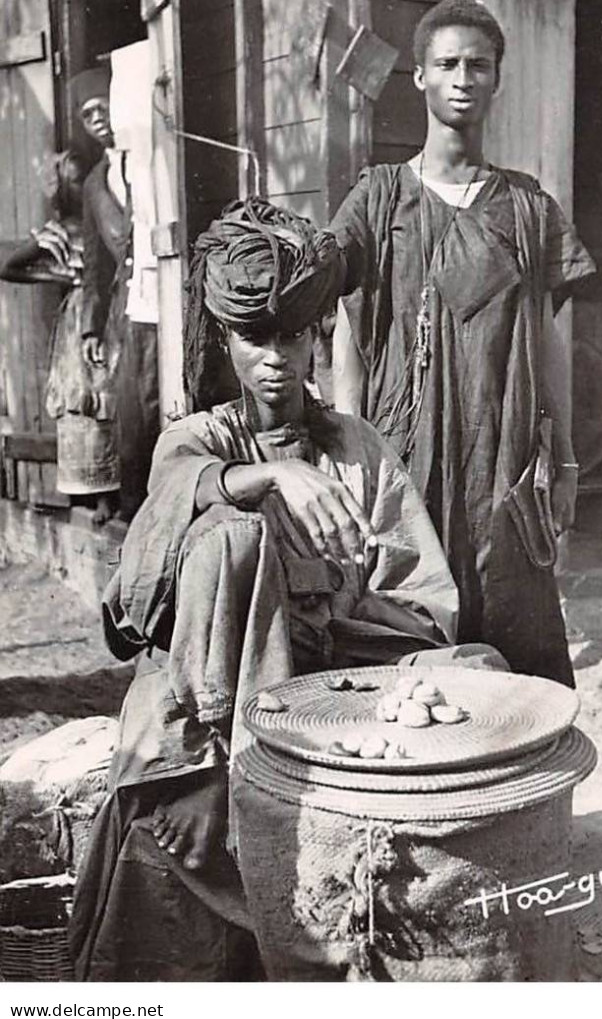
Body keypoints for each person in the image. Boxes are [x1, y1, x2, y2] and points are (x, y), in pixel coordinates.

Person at [69, 198, 503, 981]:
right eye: (254, 336)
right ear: (226, 343)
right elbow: (150, 567)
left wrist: (338, 618)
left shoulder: (357, 447)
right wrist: (265, 478)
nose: (275, 356)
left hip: (330, 686)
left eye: (292, 334)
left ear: (316, 337)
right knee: (237, 535)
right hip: (213, 704)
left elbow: (420, 602)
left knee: (481, 673)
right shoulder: (197, 440)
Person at [331, 0, 596, 687]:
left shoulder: (528, 207)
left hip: (500, 466)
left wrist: (562, 462)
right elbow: (349, 339)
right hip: (402, 461)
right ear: (417, 76)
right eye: (445, 63)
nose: (462, 77)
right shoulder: (378, 199)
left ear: (496, 79)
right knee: (401, 655)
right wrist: (351, 465)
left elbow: (544, 340)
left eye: (478, 65)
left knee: (513, 656)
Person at [0, 151, 119, 519]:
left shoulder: (97, 218)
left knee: (103, 397)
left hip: (103, 312)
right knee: (80, 398)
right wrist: (61, 277)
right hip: (82, 316)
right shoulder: (63, 229)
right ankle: (89, 494)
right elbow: (9, 266)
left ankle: (107, 493)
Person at [73, 66, 160, 521]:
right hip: (129, 313)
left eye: (103, 107)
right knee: (133, 415)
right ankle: (134, 514)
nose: (98, 118)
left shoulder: (150, 161)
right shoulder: (93, 184)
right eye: (88, 115)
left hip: (164, 297)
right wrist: (91, 325)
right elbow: (94, 264)